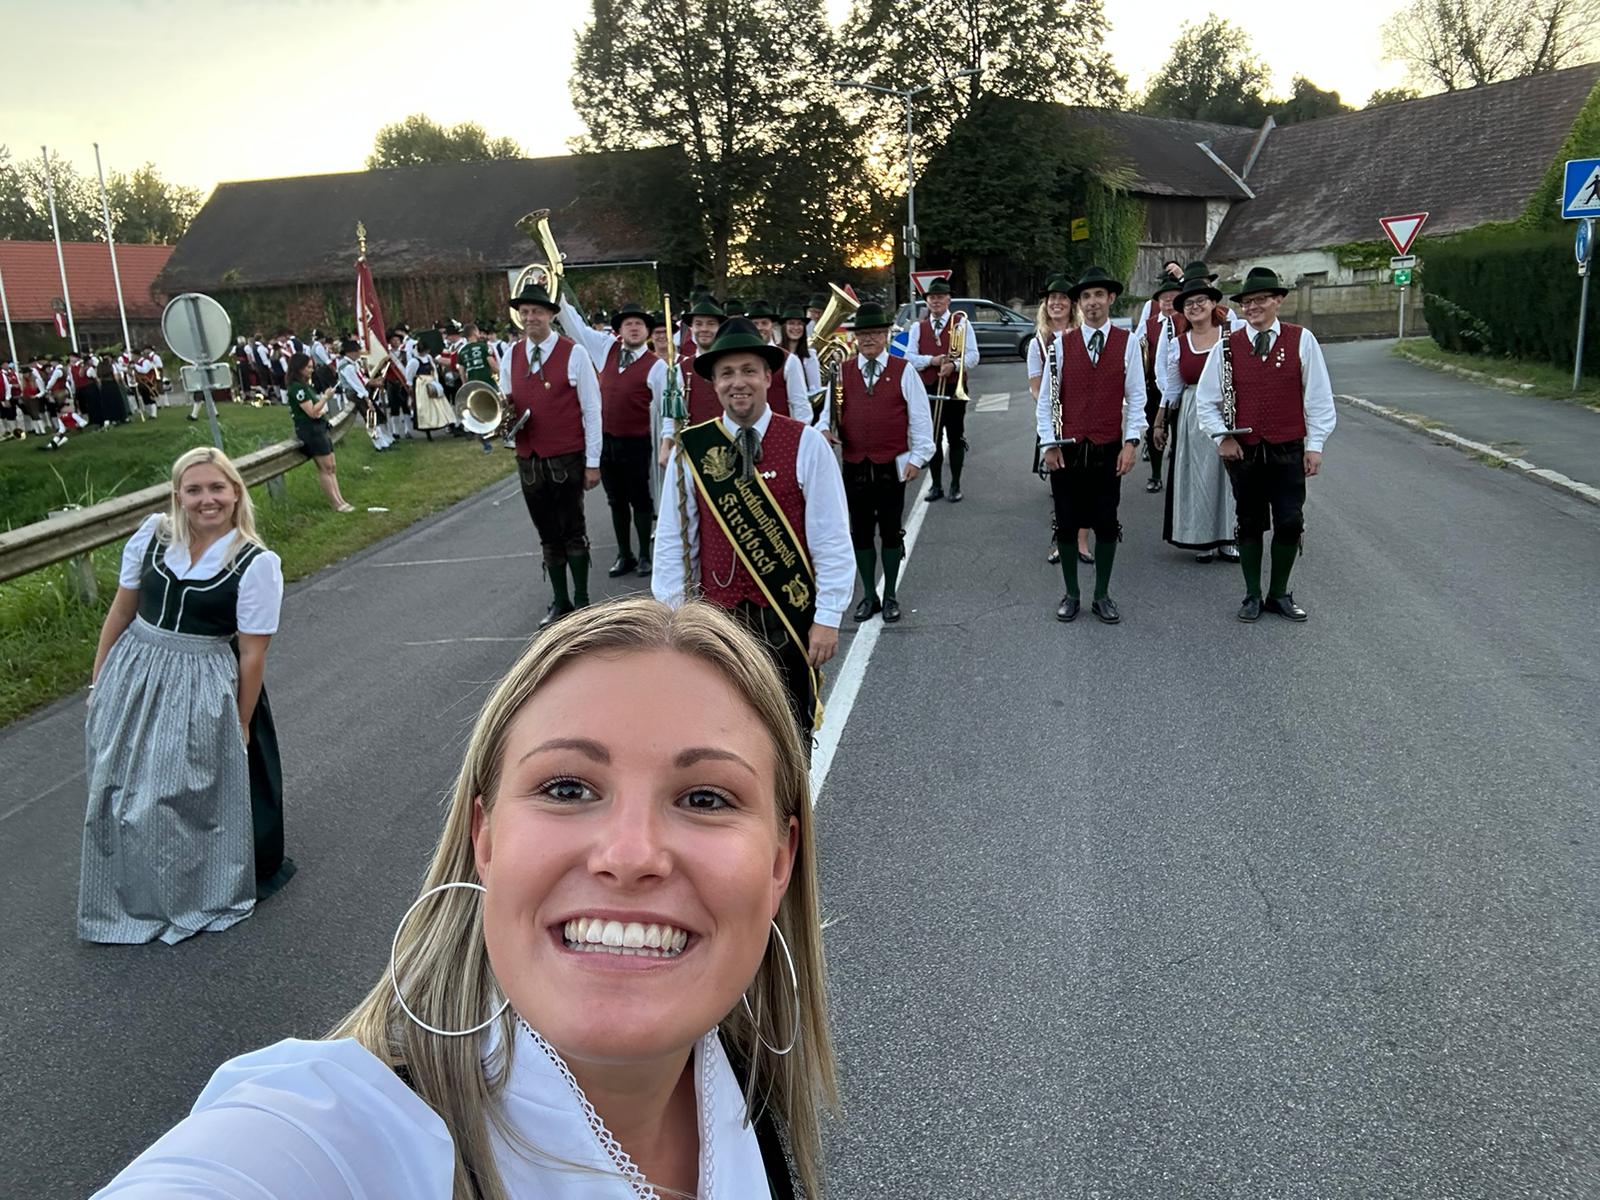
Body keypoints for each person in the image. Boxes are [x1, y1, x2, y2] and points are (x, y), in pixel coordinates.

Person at [93, 599, 837, 1199]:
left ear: (780, 861)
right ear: (485, 837)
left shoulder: (739, 1079)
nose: (630, 855)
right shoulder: (339, 1133)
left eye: (706, 798)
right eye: (567, 789)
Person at [79, 447, 293, 945]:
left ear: (236, 492)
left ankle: (183, 888)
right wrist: (99, 681)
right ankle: (129, 887)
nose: (206, 499)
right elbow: (121, 612)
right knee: (118, 787)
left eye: (217, 487)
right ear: (178, 495)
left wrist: (241, 721)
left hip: (201, 680)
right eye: (194, 490)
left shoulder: (255, 563)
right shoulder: (153, 536)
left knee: (172, 795)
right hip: (135, 672)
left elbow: (252, 655)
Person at [652, 319, 853, 743]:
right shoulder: (692, 449)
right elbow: (673, 543)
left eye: (748, 370)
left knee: (791, 733)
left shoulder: (806, 442)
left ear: (768, 377)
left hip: (787, 619)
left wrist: (828, 617)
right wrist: (674, 620)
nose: (738, 382)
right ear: (714, 384)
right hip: (718, 622)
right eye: (726, 373)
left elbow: (831, 538)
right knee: (724, 735)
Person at [1195, 266, 1336, 623]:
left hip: (1288, 447)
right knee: (1249, 521)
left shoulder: (1302, 339)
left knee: (1290, 521)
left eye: (1260, 300)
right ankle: (1252, 595)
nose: (1253, 307)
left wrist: (1315, 444)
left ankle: (1279, 593)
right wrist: (1222, 436)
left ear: (1278, 301)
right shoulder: (1226, 345)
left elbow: (1318, 397)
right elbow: (1206, 400)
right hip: (1244, 450)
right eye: (1247, 302)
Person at [1035, 266, 1147, 625]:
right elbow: (1047, 400)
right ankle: (1071, 594)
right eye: (1086, 296)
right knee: (1066, 524)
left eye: (1099, 295)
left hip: (1107, 448)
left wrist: (1131, 443)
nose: (1092, 302)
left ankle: (1101, 595)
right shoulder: (1061, 345)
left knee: (1106, 523)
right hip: (1067, 449)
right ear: (1078, 303)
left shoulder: (1128, 343)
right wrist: (1048, 444)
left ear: (1110, 298)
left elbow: (1137, 397)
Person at [499, 283, 603, 627]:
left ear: (551, 315)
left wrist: (593, 462)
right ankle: (561, 601)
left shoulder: (574, 354)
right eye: (525, 312)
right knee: (547, 533)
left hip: (566, 456)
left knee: (572, 529)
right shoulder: (511, 355)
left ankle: (583, 602)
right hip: (529, 458)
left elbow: (592, 410)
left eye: (537, 312)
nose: (530, 318)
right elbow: (506, 402)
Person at [826, 302, 935, 625]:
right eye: (863, 334)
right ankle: (868, 595)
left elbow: (921, 418)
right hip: (855, 465)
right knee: (860, 533)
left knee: (890, 531)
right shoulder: (842, 372)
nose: (869, 339)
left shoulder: (904, 370)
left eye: (875, 332)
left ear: (886, 334)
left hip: (891, 465)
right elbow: (827, 416)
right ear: (855, 337)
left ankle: (889, 595)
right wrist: (823, 430)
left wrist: (918, 458)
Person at [557, 295, 667, 579]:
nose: (634, 328)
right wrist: (560, 299)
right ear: (620, 329)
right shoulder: (606, 348)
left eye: (639, 324)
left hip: (637, 442)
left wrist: (666, 442)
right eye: (629, 324)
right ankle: (624, 554)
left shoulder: (657, 367)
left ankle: (645, 555)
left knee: (640, 499)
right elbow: (577, 328)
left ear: (647, 331)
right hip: (607, 441)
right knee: (615, 500)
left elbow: (666, 409)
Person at [1153, 269, 1244, 562]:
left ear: (1213, 303)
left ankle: (1230, 536)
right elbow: (1172, 388)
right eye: (1189, 303)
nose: (1195, 306)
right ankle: (1202, 537)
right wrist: (1159, 423)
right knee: (1200, 476)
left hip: (1228, 409)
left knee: (1230, 476)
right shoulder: (1180, 344)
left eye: (1201, 300)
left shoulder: (1233, 334)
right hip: (1194, 415)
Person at [1028, 277, 1091, 568]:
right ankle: (1061, 540)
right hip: (1056, 420)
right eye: (1052, 298)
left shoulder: (1084, 335)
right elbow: (1035, 385)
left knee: (1086, 482)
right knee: (1061, 486)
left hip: (1085, 418)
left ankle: (1082, 540)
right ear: (1045, 304)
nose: (1057, 303)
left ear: (1072, 304)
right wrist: (1053, 406)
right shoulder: (1037, 343)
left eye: (1063, 298)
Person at [904, 280, 979, 503]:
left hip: (954, 389)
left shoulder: (961, 324)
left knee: (955, 437)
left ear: (948, 299)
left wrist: (953, 365)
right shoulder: (918, 328)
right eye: (932, 297)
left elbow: (973, 356)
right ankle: (936, 485)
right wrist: (932, 361)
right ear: (926, 301)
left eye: (940, 297)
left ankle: (955, 484)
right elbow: (909, 358)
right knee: (932, 438)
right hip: (927, 389)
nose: (936, 301)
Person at [287, 353, 355, 512]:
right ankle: (336, 503)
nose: (311, 370)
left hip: (319, 426)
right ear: (299, 369)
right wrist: (325, 398)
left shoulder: (306, 386)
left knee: (331, 466)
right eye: (308, 367)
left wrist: (321, 406)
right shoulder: (297, 388)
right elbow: (311, 411)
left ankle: (340, 499)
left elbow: (316, 410)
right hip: (310, 430)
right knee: (325, 467)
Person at [1137, 276, 1183, 494]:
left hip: (1182, 388)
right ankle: (1156, 474)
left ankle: (1179, 475)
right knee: (1154, 431)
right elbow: (1139, 349)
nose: (1168, 303)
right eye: (1164, 299)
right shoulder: (1150, 324)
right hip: (1155, 388)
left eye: (1173, 298)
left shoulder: (1187, 321)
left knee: (1180, 432)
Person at [743, 299, 809, 419]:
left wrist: (798, 430)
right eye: (755, 324)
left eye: (764, 323)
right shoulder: (740, 358)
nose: (760, 328)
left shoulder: (790, 360)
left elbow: (800, 404)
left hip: (779, 428)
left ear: (772, 326)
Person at [778, 306, 822, 417]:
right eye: (791, 323)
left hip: (802, 413)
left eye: (800, 324)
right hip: (780, 411)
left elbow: (815, 389)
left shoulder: (810, 356)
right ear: (784, 327)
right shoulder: (776, 353)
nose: (796, 327)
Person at [412, 357, 456, 440]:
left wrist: (436, 383)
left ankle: (451, 425)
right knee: (426, 408)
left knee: (442, 406)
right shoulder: (414, 361)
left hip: (432, 384)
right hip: (422, 386)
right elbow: (410, 374)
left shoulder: (428, 358)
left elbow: (434, 371)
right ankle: (428, 430)